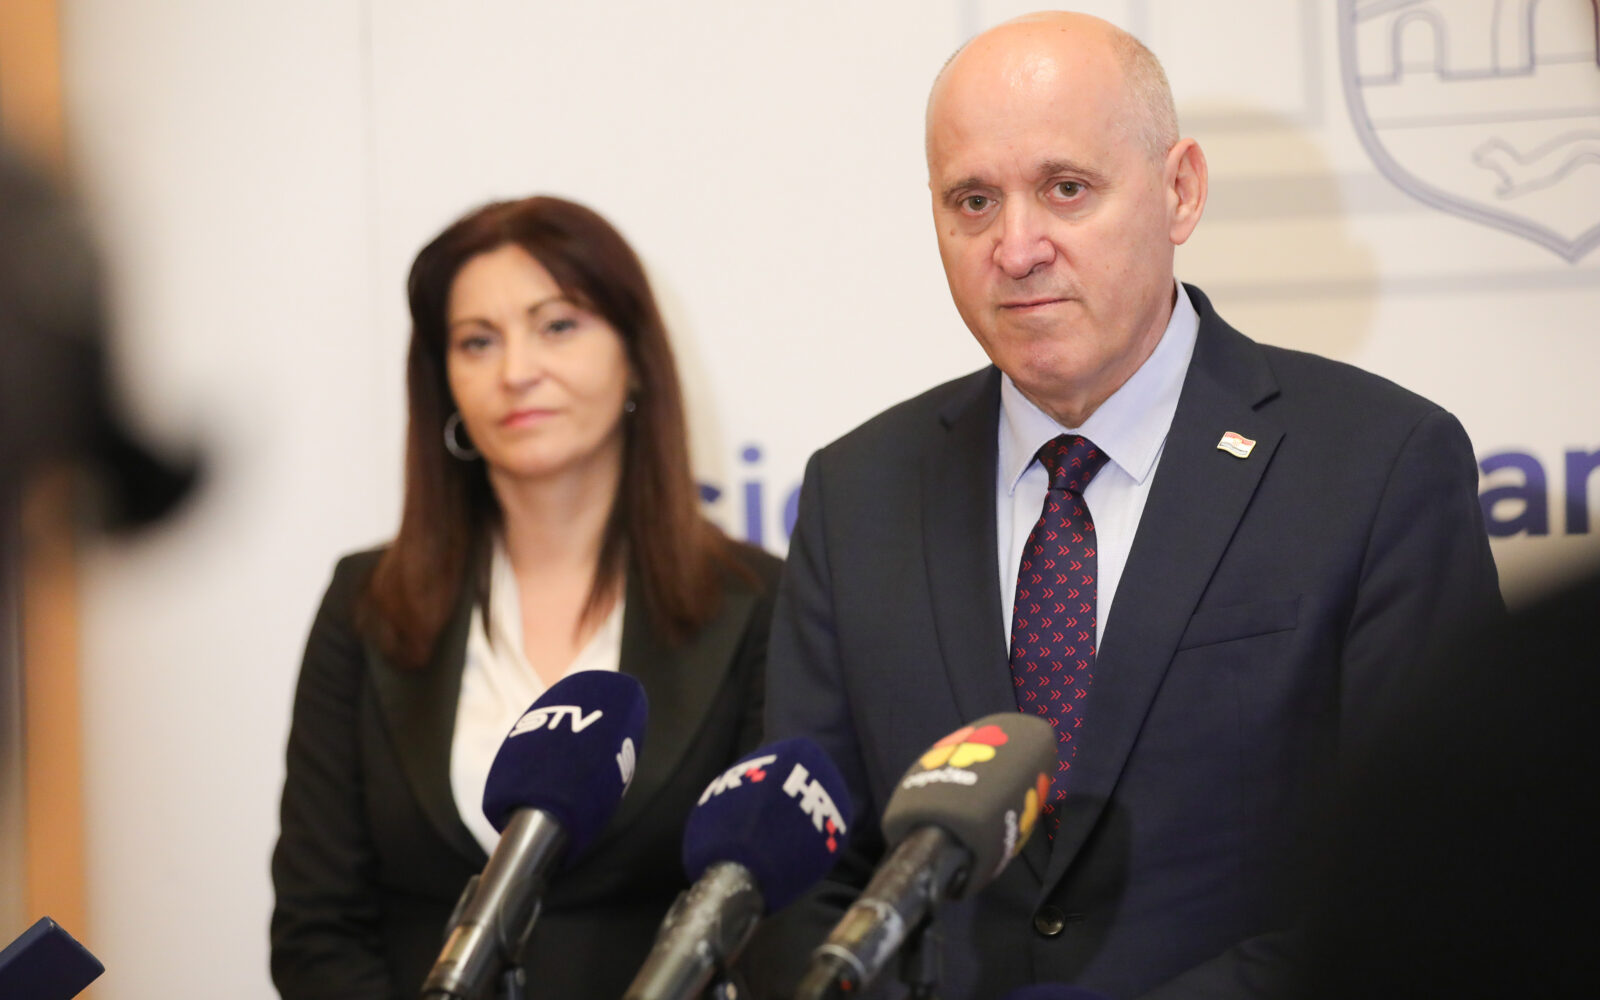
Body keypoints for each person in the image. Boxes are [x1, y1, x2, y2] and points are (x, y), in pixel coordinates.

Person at [755, 12, 1501, 999]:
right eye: (973, 200)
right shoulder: (858, 493)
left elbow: (1434, 873)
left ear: (1179, 189)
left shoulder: (1377, 466)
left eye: (1066, 188)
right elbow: (798, 874)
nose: (1016, 247)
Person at [270, 196, 780, 1000]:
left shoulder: (754, 604)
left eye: (557, 326)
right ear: (444, 381)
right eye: (477, 341)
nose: (516, 371)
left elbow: (769, 917)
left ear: (635, 357)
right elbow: (317, 926)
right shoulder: (365, 605)